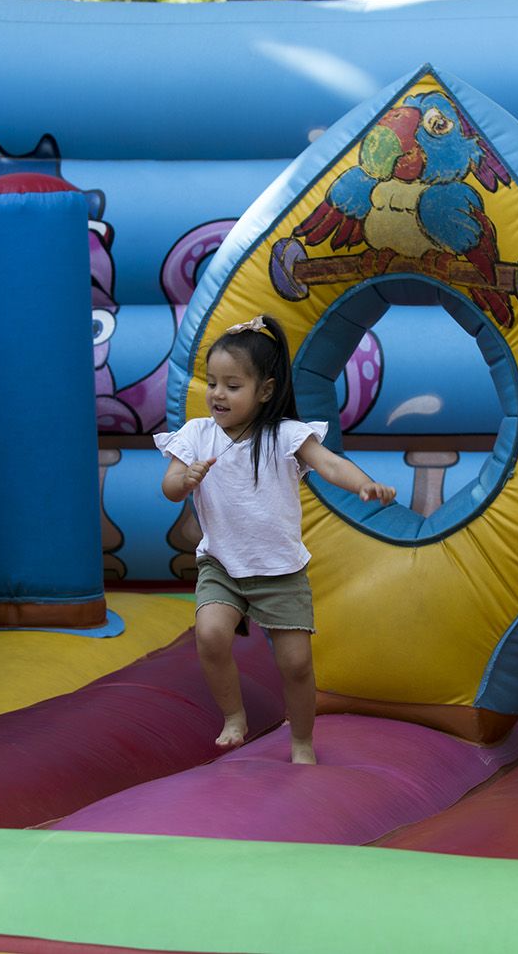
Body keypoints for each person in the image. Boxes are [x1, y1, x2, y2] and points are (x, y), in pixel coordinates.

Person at [157, 314, 396, 765]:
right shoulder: (196, 434)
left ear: (264, 390)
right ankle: (234, 717)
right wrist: (184, 479)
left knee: (296, 665)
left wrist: (362, 484)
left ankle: (302, 741)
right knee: (210, 635)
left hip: (280, 571)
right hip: (222, 565)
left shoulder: (284, 435)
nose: (217, 394)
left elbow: (328, 463)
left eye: (232, 385)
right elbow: (169, 488)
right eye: (212, 383)